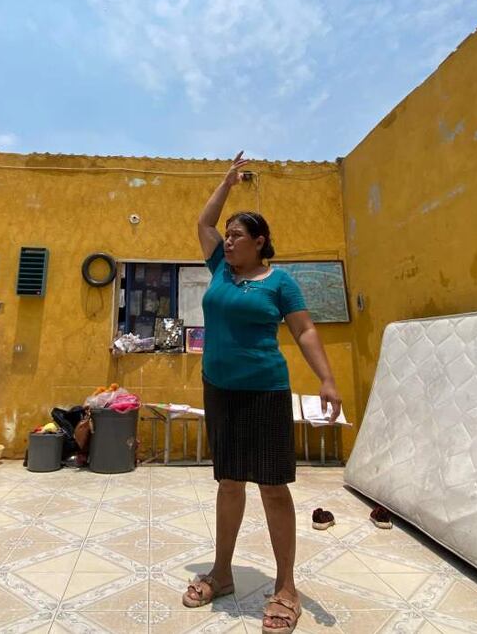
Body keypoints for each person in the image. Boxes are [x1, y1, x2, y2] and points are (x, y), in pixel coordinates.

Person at [182, 151, 341, 634]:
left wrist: (327, 380)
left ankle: (286, 587)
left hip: (265, 392)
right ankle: (223, 573)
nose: (227, 241)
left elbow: (306, 331)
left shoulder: (281, 282)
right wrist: (227, 182)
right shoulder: (220, 270)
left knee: (273, 486)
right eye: (227, 236)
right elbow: (202, 223)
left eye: (237, 236)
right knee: (229, 481)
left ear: (259, 242)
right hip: (221, 390)